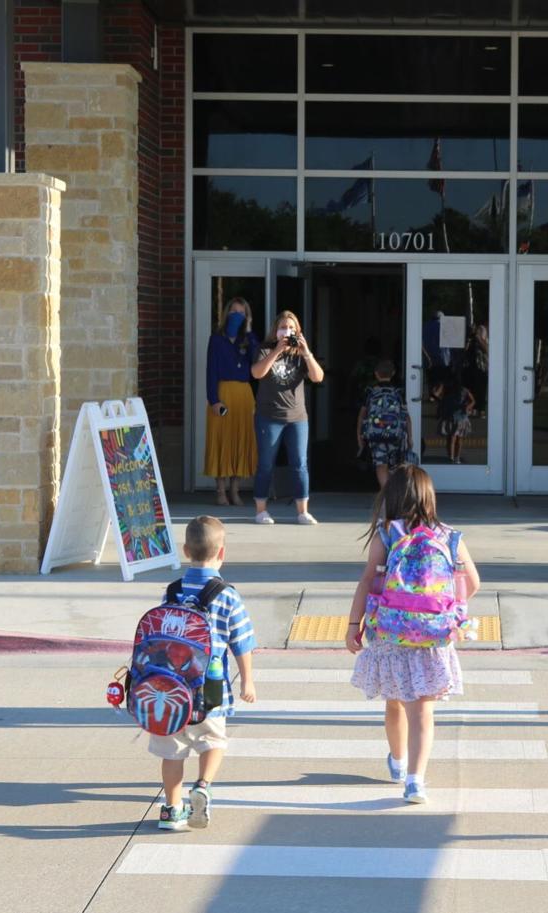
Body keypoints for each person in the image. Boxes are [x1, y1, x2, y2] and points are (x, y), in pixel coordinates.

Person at [345, 465, 481, 804]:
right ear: (430, 498)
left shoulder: (387, 534)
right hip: (432, 636)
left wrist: (353, 625)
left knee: (394, 701)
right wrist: (448, 606)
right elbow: (473, 583)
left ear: (390, 497)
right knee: (423, 709)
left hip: (391, 633)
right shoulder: (448, 536)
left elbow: (367, 581)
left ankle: (398, 761)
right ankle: (415, 780)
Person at [153, 516, 257, 830]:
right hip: (211, 688)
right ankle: (202, 786)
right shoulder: (227, 595)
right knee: (213, 741)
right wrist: (248, 680)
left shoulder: (172, 592)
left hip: (172, 687)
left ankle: (172, 809)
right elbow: (242, 642)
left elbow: (159, 636)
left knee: (172, 751)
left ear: (186, 550)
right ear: (222, 553)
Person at [250, 310, 325, 525]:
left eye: (292, 328)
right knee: (266, 463)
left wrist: (306, 352)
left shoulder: (300, 354)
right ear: (276, 331)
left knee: (300, 463)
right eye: (283, 327)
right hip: (268, 416)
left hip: (297, 417)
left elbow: (317, 377)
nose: (287, 331)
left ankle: (303, 511)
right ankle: (261, 510)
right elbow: (256, 373)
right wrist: (277, 350)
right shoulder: (265, 349)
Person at [204, 297, 259, 506]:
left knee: (240, 440)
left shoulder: (249, 338)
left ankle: (235, 490)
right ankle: (220, 491)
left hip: (243, 394)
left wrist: (248, 334)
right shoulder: (216, 339)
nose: (237, 315)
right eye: (234, 311)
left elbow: (256, 364)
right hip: (223, 392)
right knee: (222, 440)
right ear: (227, 313)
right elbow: (211, 371)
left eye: (242, 312)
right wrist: (214, 400)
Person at [357, 358, 413, 489]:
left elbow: (361, 416)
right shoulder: (398, 392)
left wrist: (359, 437)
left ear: (376, 373)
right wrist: (410, 438)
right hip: (395, 435)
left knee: (380, 463)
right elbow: (406, 416)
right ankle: (393, 493)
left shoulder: (370, 392)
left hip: (375, 435)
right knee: (395, 464)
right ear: (393, 373)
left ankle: (385, 491)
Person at [433, 374, 475, 464]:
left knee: (458, 438)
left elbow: (472, 400)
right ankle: (451, 457)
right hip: (450, 417)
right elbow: (438, 399)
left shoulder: (463, 390)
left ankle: (456, 457)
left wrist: (468, 406)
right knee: (451, 438)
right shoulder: (447, 391)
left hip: (460, 418)